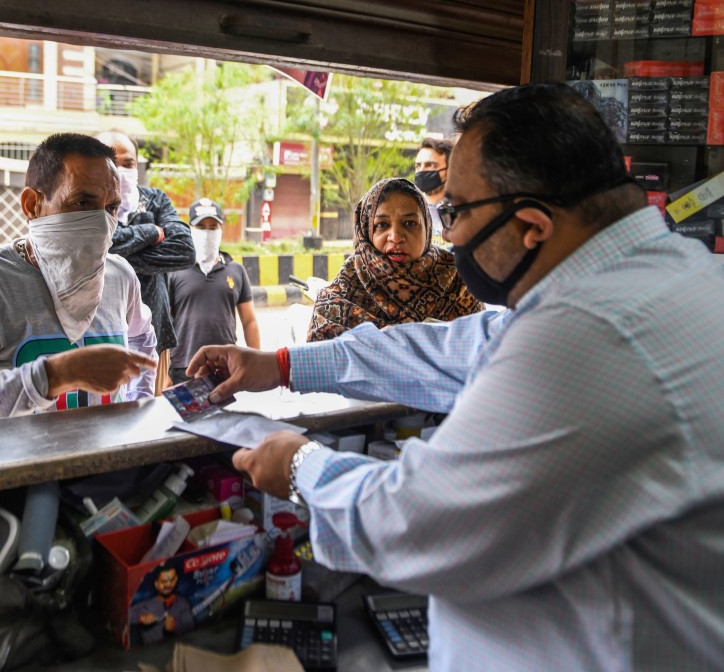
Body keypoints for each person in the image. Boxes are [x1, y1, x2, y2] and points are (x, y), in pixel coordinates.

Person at [187, 83, 724, 670]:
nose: (448, 235)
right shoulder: (680, 279)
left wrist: (299, 465)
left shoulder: (589, 336)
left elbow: (413, 523)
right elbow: (451, 348)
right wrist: (283, 364)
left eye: (455, 211)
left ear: (532, 225)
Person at [0, 133, 158, 426]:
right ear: (32, 204)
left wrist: (137, 404)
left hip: (109, 455)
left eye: (110, 208)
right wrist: (55, 376)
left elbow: (141, 339)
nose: (100, 222)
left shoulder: (120, 276)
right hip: (18, 457)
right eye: (82, 202)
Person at [306, 177, 482, 342]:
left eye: (410, 223)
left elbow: (482, 350)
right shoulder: (337, 299)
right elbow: (322, 357)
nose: (396, 237)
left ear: (427, 228)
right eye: (382, 225)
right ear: (366, 231)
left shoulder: (458, 281)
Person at [96, 131, 195, 387]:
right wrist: (149, 232)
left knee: (149, 409)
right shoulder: (87, 206)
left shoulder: (155, 201)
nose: (120, 171)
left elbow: (184, 250)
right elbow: (91, 246)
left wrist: (114, 254)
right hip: (98, 338)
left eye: (128, 163)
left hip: (154, 338)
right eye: (111, 163)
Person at [166, 198, 259, 385]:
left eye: (213, 227)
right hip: (184, 367)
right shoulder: (175, 270)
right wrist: (164, 373)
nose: (207, 233)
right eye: (201, 227)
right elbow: (164, 326)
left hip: (226, 366)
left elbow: (249, 321)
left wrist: (256, 362)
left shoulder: (236, 270)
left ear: (221, 230)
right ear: (190, 229)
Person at [129, 564, 195, 644]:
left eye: (171, 580)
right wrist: (140, 618)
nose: (168, 585)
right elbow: (126, 617)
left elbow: (190, 627)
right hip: (152, 649)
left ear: (176, 580)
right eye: (163, 582)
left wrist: (175, 626)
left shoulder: (183, 603)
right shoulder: (145, 606)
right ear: (156, 584)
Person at [414, 138, 454, 244]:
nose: (421, 170)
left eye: (430, 165)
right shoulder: (409, 210)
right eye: (418, 166)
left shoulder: (461, 214)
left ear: (450, 170)